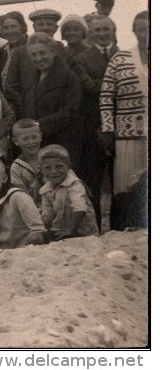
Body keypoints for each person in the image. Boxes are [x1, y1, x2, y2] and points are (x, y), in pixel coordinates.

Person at [100, 10, 148, 230]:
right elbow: (106, 96)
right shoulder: (120, 59)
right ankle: (124, 228)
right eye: (141, 29)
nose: (146, 33)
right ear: (134, 31)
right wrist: (108, 129)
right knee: (127, 182)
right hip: (128, 134)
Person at [9, 33, 82, 162]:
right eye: (34, 55)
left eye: (42, 53)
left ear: (53, 52)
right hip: (37, 142)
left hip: (62, 142)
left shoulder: (68, 76)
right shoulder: (33, 76)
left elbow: (72, 110)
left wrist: (40, 125)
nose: (38, 58)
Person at [74, 15, 118, 227]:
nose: (101, 34)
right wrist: (117, 84)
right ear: (90, 34)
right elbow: (88, 88)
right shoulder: (82, 59)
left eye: (105, 29)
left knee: (119, 179)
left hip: (122, 126)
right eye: (97, 30)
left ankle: (120, 226)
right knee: (93, 180)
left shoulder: (124, 55)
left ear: (113, 31)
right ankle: (96, 227)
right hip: (93, 126)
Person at [0, 157, 45, 249]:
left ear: (4, 178)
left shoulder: (19, 197)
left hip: (25, 248)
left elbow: (37, 230)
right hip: (2, 249)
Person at [38, 145, 99, 240]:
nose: (54, 171)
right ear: (41, 170)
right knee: (35, 237)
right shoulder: (45, 190)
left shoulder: (74, 185)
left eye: (59, 166)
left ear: (68, 167)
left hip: (84, 234)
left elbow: (80, 209)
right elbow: (48, 216)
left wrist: (71, 231)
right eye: (48, 168)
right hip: (61, 231)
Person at [9, 119, 44, 207]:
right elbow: (20, 196)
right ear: (15, 141)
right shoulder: (16, 167)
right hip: (31, 210)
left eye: (34, 137)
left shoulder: (51, 157)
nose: (31, 142)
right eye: (25, 139)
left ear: (40, 137)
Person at [0, 11, 28, 89]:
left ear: (22, 27)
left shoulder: (33, 49)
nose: (10, 31)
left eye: (13, 26)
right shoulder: (2, 51)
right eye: (6, 28)